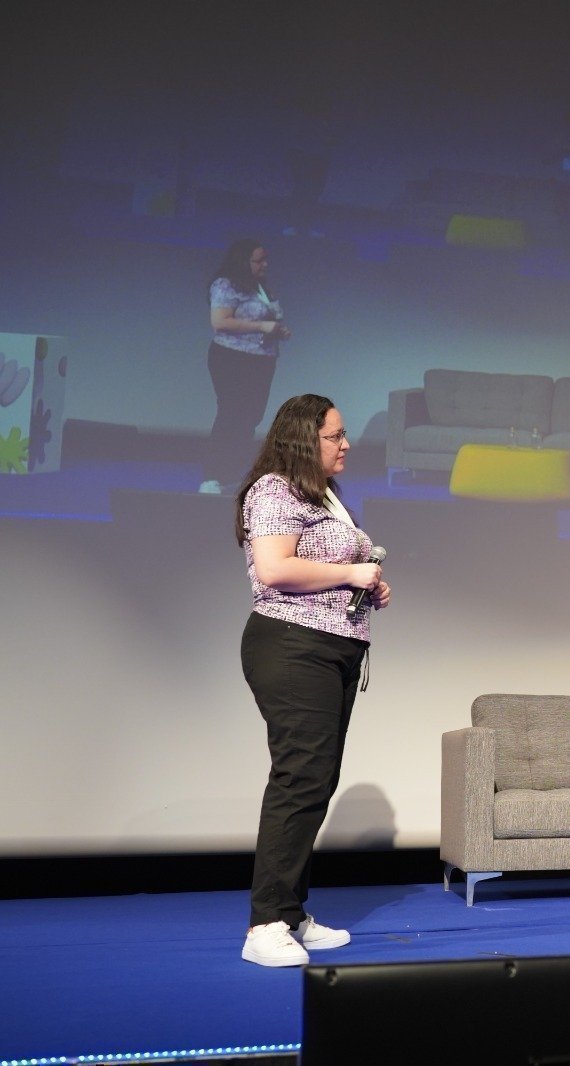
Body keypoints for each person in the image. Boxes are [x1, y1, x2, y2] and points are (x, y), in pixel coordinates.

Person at [234, 394, 391, 966]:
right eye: (335, 435)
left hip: (333, 648)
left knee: (317, 779)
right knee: (300, 777)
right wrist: (351, 570)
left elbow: (321, 568)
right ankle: (265, 924)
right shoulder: (273, 489)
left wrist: (365, 585)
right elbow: (274, 568)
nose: (345, 444)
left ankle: (292, 912)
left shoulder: (322, 495)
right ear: (305, 438)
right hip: (291, 646)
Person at [201, 238, 290, 494]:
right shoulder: (225, 285)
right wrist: (262, 326)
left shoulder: (260, 287)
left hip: (261, 359)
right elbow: (220, 321)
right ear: (243, 261)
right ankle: (212, 475)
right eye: (259, 260)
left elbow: (268, 317)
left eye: (265, 259)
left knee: (251, 417)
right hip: (232, 358)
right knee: (231, 414)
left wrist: (277, 330)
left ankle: (230, 472)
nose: (265, 264)